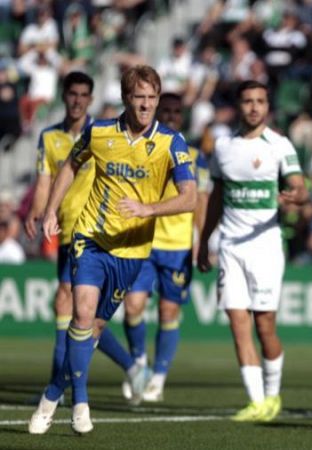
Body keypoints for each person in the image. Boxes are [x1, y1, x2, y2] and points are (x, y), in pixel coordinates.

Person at [28, 65, 198, 435]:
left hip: (133, 252)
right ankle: (82, 402)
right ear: (126, 98)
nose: (147, 105)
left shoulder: (172, 142)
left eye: (152, 98)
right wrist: (52, 210)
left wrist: (149, 209)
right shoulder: (100, 131)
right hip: (90, 238)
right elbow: (72, 166)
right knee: (82, 313)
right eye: (140, 98)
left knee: (95, 329)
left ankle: (53, 392)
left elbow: (189, 198)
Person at [198, 80, 308, 422]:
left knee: (265, 327)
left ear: (267, 106)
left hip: (265, 248)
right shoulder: (223, 146)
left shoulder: (279, 144)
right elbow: (216, 197)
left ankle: (273, 395)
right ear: (239, 105)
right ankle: (257, 401)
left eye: (260, 101)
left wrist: (294, 197)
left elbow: (300, 187)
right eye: (248, 101)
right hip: (230, 246)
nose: (254, 107)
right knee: (237, 322)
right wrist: (204, 241)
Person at [119, 92, 211, 402]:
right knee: (133, 306)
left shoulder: (196, 156)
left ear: (182, 116)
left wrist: (203, 241)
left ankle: (158, 378)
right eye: (166, 111)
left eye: (176, 111)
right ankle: (138, 365)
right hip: (142, 239)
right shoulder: (144, 148)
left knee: (168, 311)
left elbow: (201, 202)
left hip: (178, 246)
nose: (170, 116)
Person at [24, 71, 96, 400]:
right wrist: (37, 212)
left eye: (84, 94)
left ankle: (59, 384)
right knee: (76, 307)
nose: (78, 100)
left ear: (90, 99)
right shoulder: (49, 137)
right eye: (73, 94)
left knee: (67, 298)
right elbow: (44, 181)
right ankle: (130, 366)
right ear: (64, 96)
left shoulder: (100, 134)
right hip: (64, 227)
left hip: (94, 228)